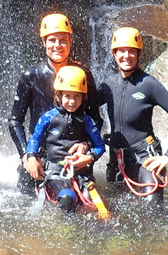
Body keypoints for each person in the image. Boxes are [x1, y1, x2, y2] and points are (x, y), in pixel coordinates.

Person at [9, 13, 102, 194]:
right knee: (26, 203)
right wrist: (27, 156)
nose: (57, 45)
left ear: (71, 42)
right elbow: (15, 121)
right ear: (44, 42)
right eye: (52, 40)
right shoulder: (31, 76)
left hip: (74, 157)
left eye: (63, 40)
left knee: (82, 206)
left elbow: (95, 118)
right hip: (38, 157)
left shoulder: (83, 74)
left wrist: (87, 144)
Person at [98, 27, 168, 203]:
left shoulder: (148, 84)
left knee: (152, 207)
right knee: (117, 211)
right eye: (121, 51)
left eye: (131, 51)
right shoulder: (109, 84)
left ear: (139, 54)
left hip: (145, 156)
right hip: (117, 158)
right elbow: (86, 109)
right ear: (114, 54)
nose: (126, 56)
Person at [25, 65, 105, 212]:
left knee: (90, 208)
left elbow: (100, 146)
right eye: (67, 96)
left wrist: (89, 158)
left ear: (83, 97)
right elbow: (34, 139)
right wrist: (31, 157)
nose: (72, 101)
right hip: (56, 172)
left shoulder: (87, 120)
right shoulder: (48, 117)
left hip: (81, 173)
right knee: (68, 198)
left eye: (77, 96)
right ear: (58, 96)